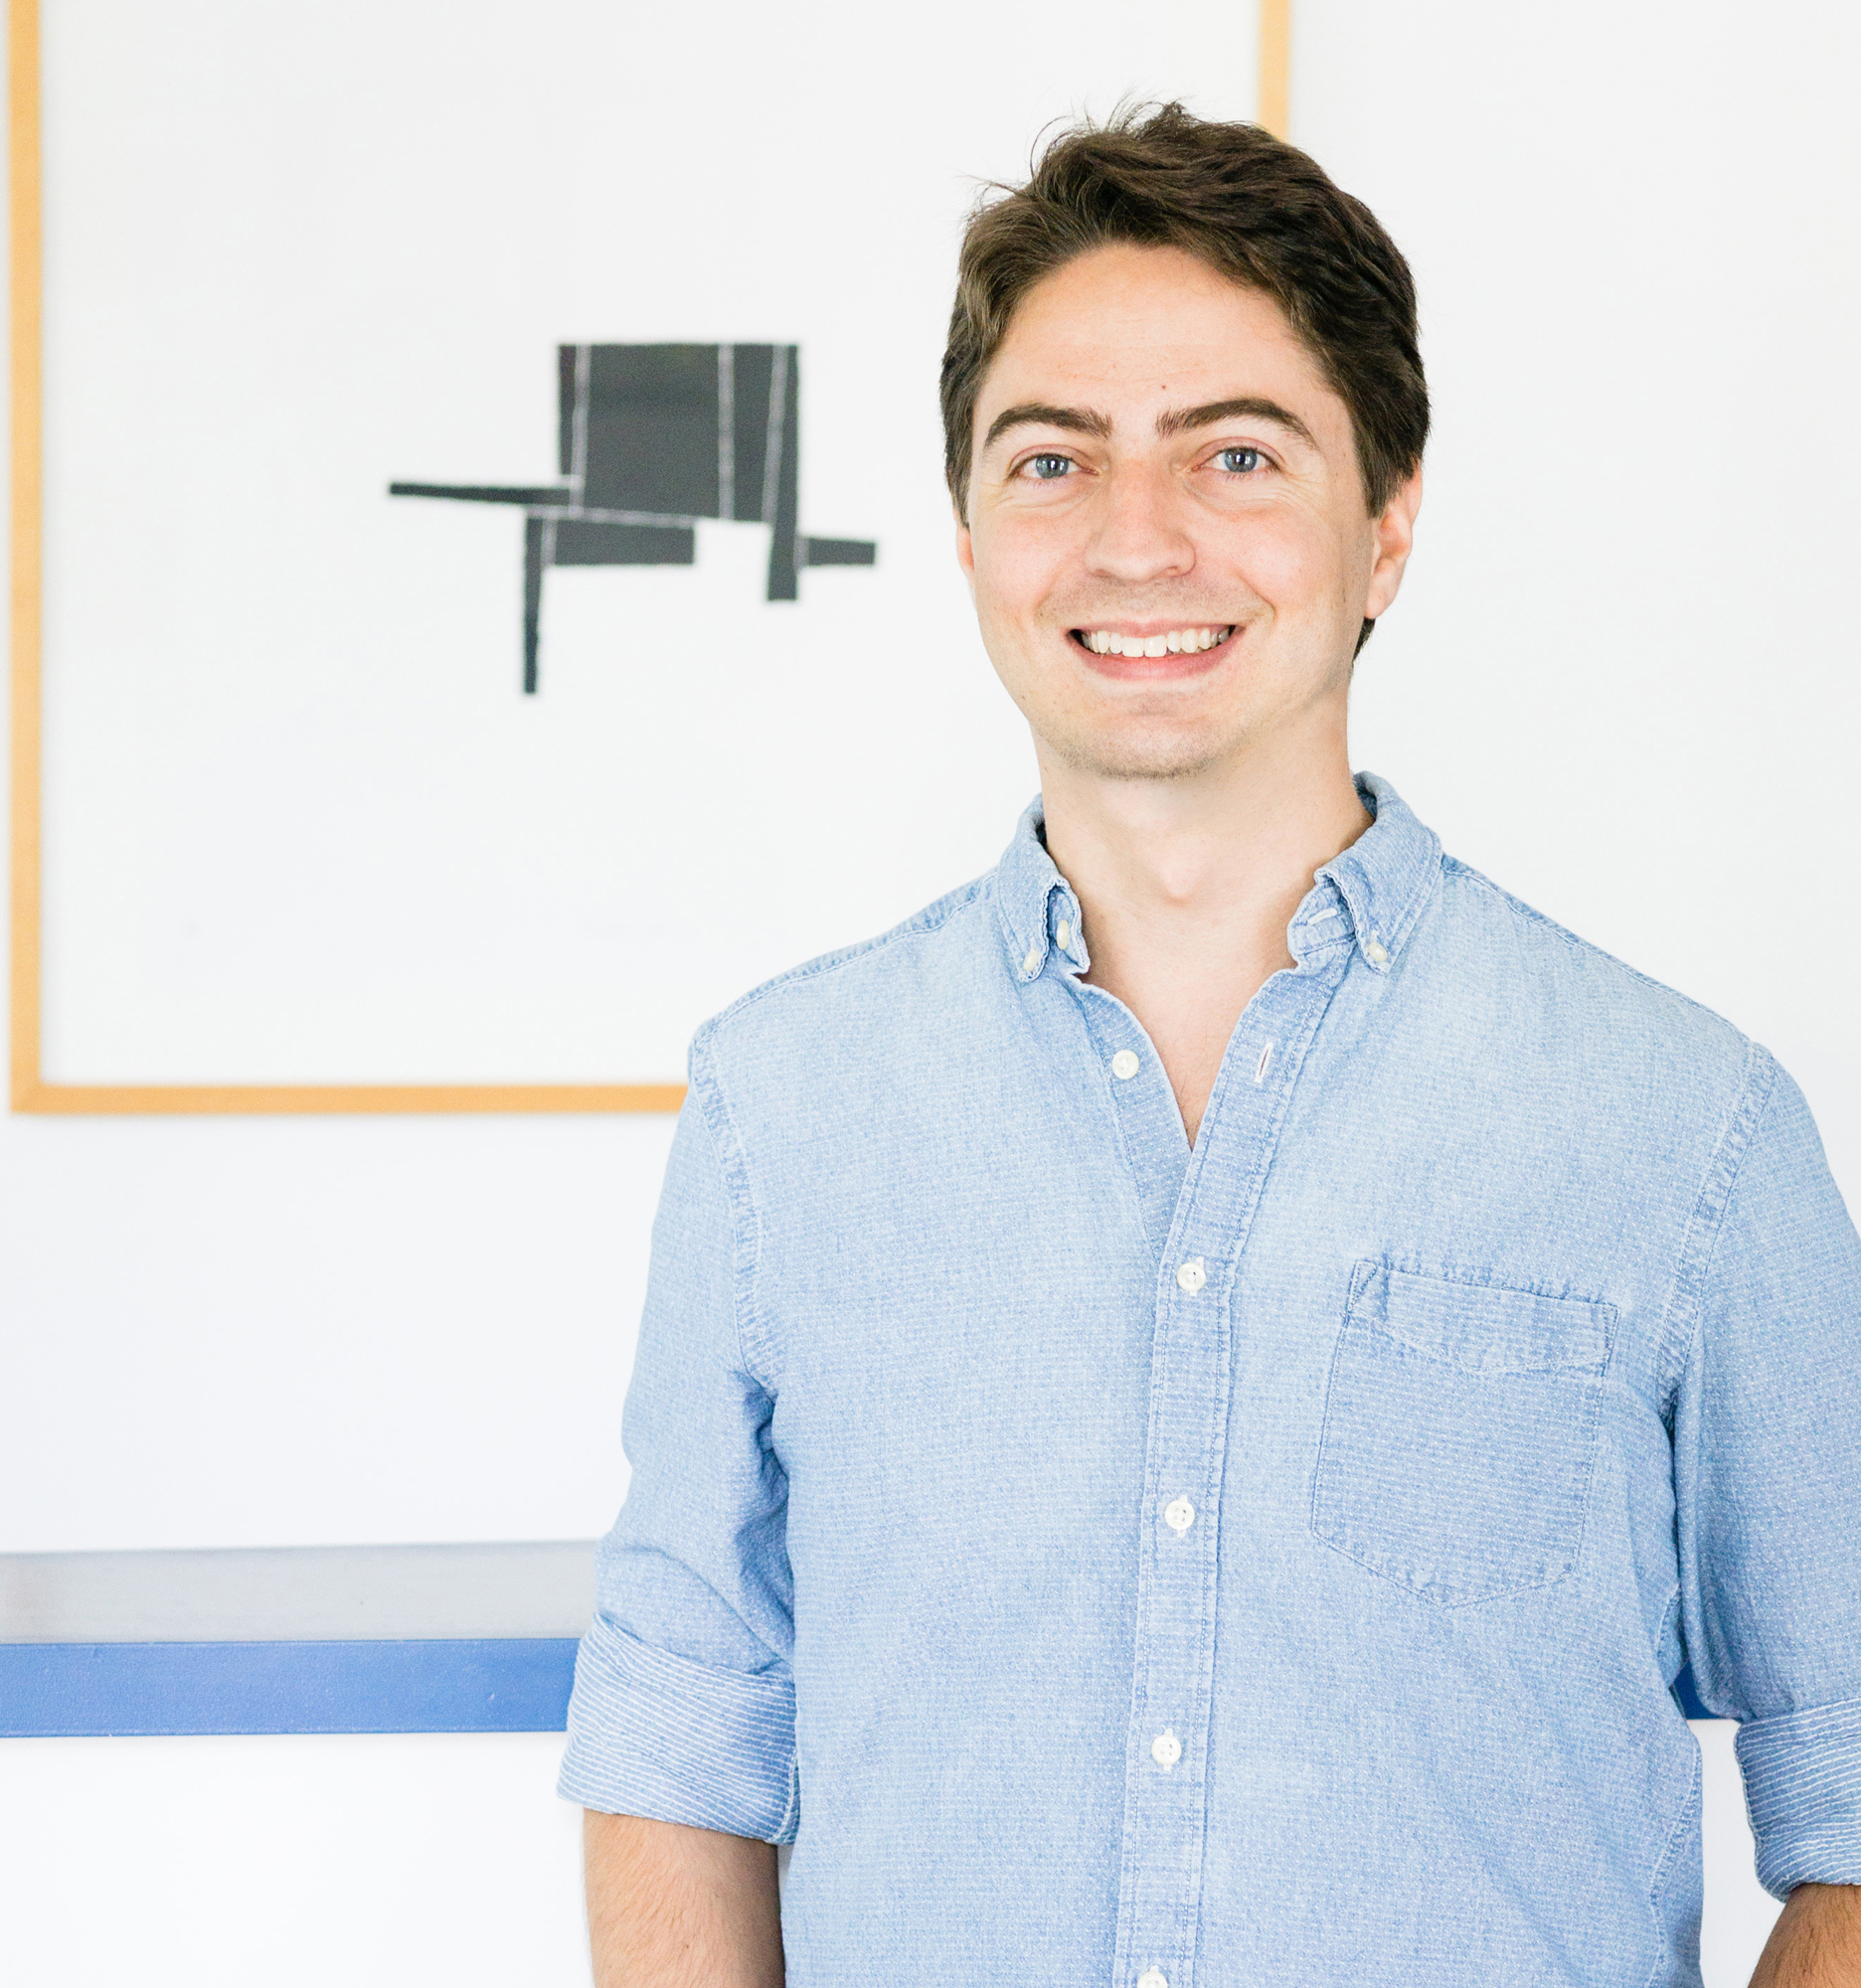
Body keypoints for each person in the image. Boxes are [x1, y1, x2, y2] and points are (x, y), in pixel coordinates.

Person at [556, 104, 1861, 1986]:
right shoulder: (781, 1111)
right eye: (1054, 459)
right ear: (971, 538)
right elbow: (681, 1740)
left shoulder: (1687, 1132)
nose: (1137, 538)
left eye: (1236, 454)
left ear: (1386, 526)